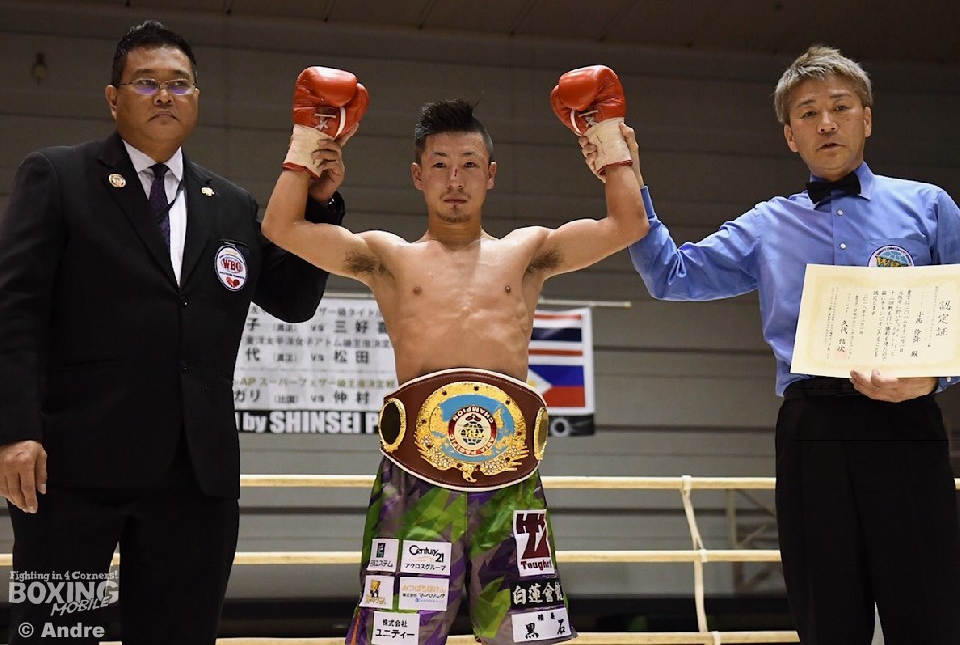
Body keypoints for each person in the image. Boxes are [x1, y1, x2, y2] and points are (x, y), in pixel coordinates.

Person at [262, 86, 648, 644]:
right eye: (440, 165)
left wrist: (609, 141)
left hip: (512, 480)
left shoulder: (527, 252)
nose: (455, 179)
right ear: (417, 176)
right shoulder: (388, 257)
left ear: (491, 174)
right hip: (416, 479)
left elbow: (628, 224)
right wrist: (307, 144)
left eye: (469, 164)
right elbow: (280, 228)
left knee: (526, 637)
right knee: (398, 637)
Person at [0, 20, 345, 644]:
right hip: (73, 469)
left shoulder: (231, 204)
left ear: (198, 99)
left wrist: (317, 206)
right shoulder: (58, 176)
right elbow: (15, 310)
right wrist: (16, 430)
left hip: (195, 475)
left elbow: (293, 301)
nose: (164, 95)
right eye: (146, 82)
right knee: (55, 635)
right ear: (114, 98)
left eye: (179, 84)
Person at [619, 44, 960, 645]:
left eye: (840, 107)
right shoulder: (767, 224)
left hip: (907, 421)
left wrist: (936, 379)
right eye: (808, 112)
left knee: (929, 611)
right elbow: (672, 275)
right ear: (789, 135)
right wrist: (628, 178)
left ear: (867, 119)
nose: (826, 122)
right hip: (813, 431)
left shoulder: (928, 206)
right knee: (827, 614)